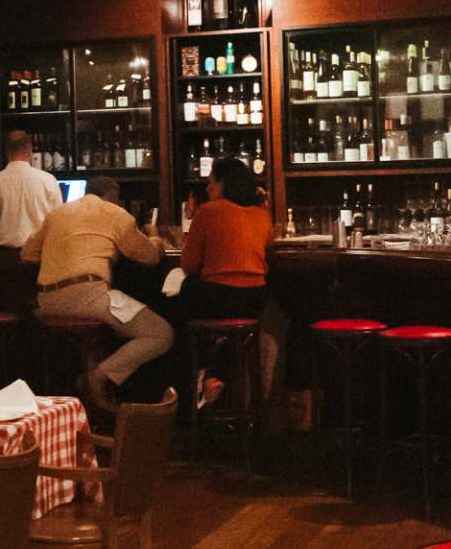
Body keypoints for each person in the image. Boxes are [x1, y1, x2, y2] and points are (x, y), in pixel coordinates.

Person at [27, 180, 172, 410]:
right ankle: (97, 376)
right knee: (161, 334)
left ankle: (87, 380)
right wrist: (154, 236)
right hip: (88, 297)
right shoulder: (115, 214)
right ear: (113, 197)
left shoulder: (57, 213)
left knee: (104, 328)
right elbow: (149, 257)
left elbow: (28, 254)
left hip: (46, 302)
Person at [177, 158, 277, 407]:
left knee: (177, 308)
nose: (208, 188)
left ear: (223, 184)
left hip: (216, 297)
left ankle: (188, 391)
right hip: (255, 299)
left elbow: (188, 266)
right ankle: (214, 374)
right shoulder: (262, 216)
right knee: (231, 334)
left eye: (211, 181)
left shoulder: (208, 211)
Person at [0, 131, 63, 252]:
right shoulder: (48, 181)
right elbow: (58, 222)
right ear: (30, 151)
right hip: (39, 255)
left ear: (6, 152)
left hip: (4, 256)